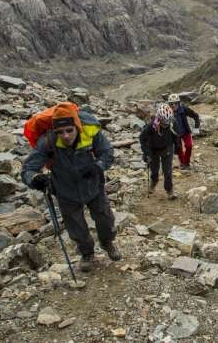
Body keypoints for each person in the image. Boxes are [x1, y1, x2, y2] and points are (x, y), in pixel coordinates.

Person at [21, 103, 121, 272]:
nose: (65, 136)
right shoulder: (47, 142)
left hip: (93, 186)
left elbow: (107, 152)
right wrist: (35, 179)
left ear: (77, 126)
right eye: (60, 132)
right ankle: (87, 253)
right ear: (54, 131)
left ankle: (107, 242)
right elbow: (27, 170)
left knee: (105, 219)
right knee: (76, 227)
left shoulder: (91, 133)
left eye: (69, 130)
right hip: (65, 191)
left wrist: (98, 166)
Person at [139, 103, 177, 199]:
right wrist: (146, 153)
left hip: (167, 147)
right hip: (153, 149)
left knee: (167, 171)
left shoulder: (172, 122)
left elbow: (176, 135)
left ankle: (169, 191)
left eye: (167, 122)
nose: (165, 125)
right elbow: (142, 138)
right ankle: (154, 181)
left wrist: (178, 147)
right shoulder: (151, 126)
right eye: (164, 122)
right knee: (154, 170)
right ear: (159, 118)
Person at [168, 93, 200, 169]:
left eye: (175, 103)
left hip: (185, 131)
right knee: (179, 149)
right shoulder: (167, 112)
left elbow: (195, 115)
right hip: (175, 133)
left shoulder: (184, 109)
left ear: (178, 103)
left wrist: (196, 128)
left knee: (189, 146)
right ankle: (183, 164)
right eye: (171, 104)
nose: (173, 105)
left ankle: (186, 162)